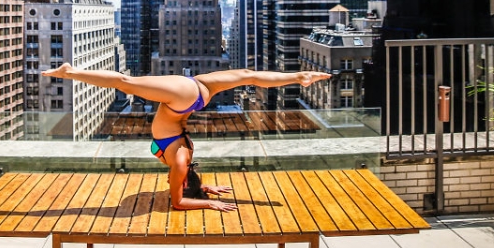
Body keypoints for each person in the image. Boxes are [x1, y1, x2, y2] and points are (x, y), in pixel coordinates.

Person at [41, 65, 331, 212]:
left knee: (247, 75)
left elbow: (179, 197)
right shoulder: (179, 161)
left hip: (192, 98)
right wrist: (205, 195)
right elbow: (179, 196)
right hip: (185, 99)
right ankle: (298, 76)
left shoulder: (183, 160)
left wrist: (205, 195)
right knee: (125, 82)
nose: (174, 181)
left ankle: (299, 76)